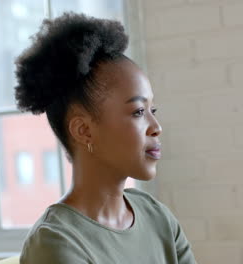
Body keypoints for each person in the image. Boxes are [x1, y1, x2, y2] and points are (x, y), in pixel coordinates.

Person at [14, 12, 197, 264]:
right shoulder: (55, 243)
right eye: (138, 112)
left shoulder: (156, 216)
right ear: (84, 131)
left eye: (152, 111)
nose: (156, 127)